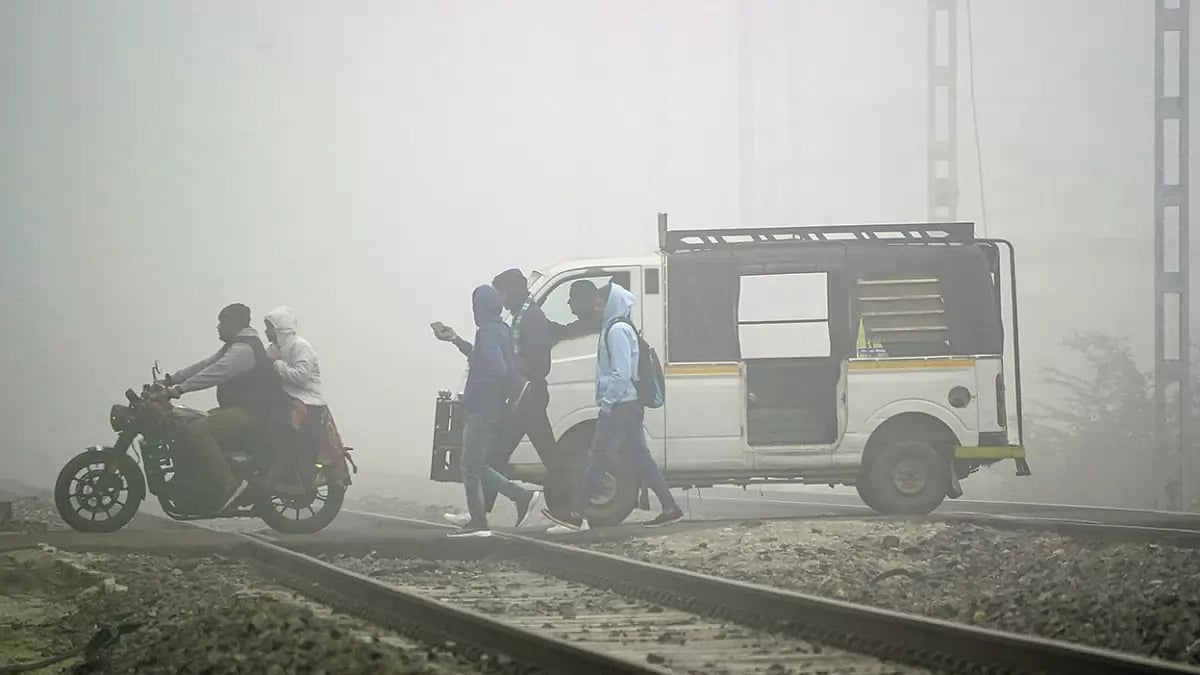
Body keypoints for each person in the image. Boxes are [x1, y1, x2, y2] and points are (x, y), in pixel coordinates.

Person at [542, 281, 684, 532]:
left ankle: (575, 516)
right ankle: (670, 508)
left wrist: (607, 404)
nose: (596, 308)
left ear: (612, 304)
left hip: (620, 405)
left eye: (600, 304)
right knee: (641, 458)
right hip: (629, 405)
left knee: (597, 458)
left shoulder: (617, 330)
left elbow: (621, 374)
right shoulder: (619, 327)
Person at [434, 284, 542, 537]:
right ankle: (520, 497)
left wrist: (476, 390)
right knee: (476, 464)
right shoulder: (500, 328)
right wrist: (456, 340)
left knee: (469, 465)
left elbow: (495, 368)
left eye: (475, 306)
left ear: (480, 308)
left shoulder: (487, 332)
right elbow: (482, 357)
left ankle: (479, 521)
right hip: (494, 407)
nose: (473, 311)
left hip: (482, 407)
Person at [164, 303, 283, 513]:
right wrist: (172, 379)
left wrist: (179, 390)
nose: (218, 327)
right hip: (240, 409)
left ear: (233, 324)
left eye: (222, 323)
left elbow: (216, 372)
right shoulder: (236, 345)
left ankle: (230, 484)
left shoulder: (244, 350)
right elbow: (206, 364)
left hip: (251, 413)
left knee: (198, 431)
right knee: (186, 422)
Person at [485, 268, 567, 514]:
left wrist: (513, 368)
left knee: (497, 454)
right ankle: (571, 512)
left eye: (501, 293)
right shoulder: (523, 315)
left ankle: (480, 512)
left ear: (513, 291)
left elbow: (540, 363)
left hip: (528, 394)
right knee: (550, 457)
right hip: (527, 395)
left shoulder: (532, 317)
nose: (500, 300)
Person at [263, 306, 349, 496]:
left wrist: (277, 365)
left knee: (283, 433)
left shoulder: (301, 347)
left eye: (269, 328)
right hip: (288, 399)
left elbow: (300, 377)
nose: (266, 332)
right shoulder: (274, 349)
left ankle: (293, 477)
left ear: (280, 329)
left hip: (308, 402)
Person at [549, 279, 602, 344]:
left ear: (583, 299)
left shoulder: (589, 326)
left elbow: (562, 332)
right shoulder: (594, 323)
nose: (568, 302)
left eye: (572, 297)